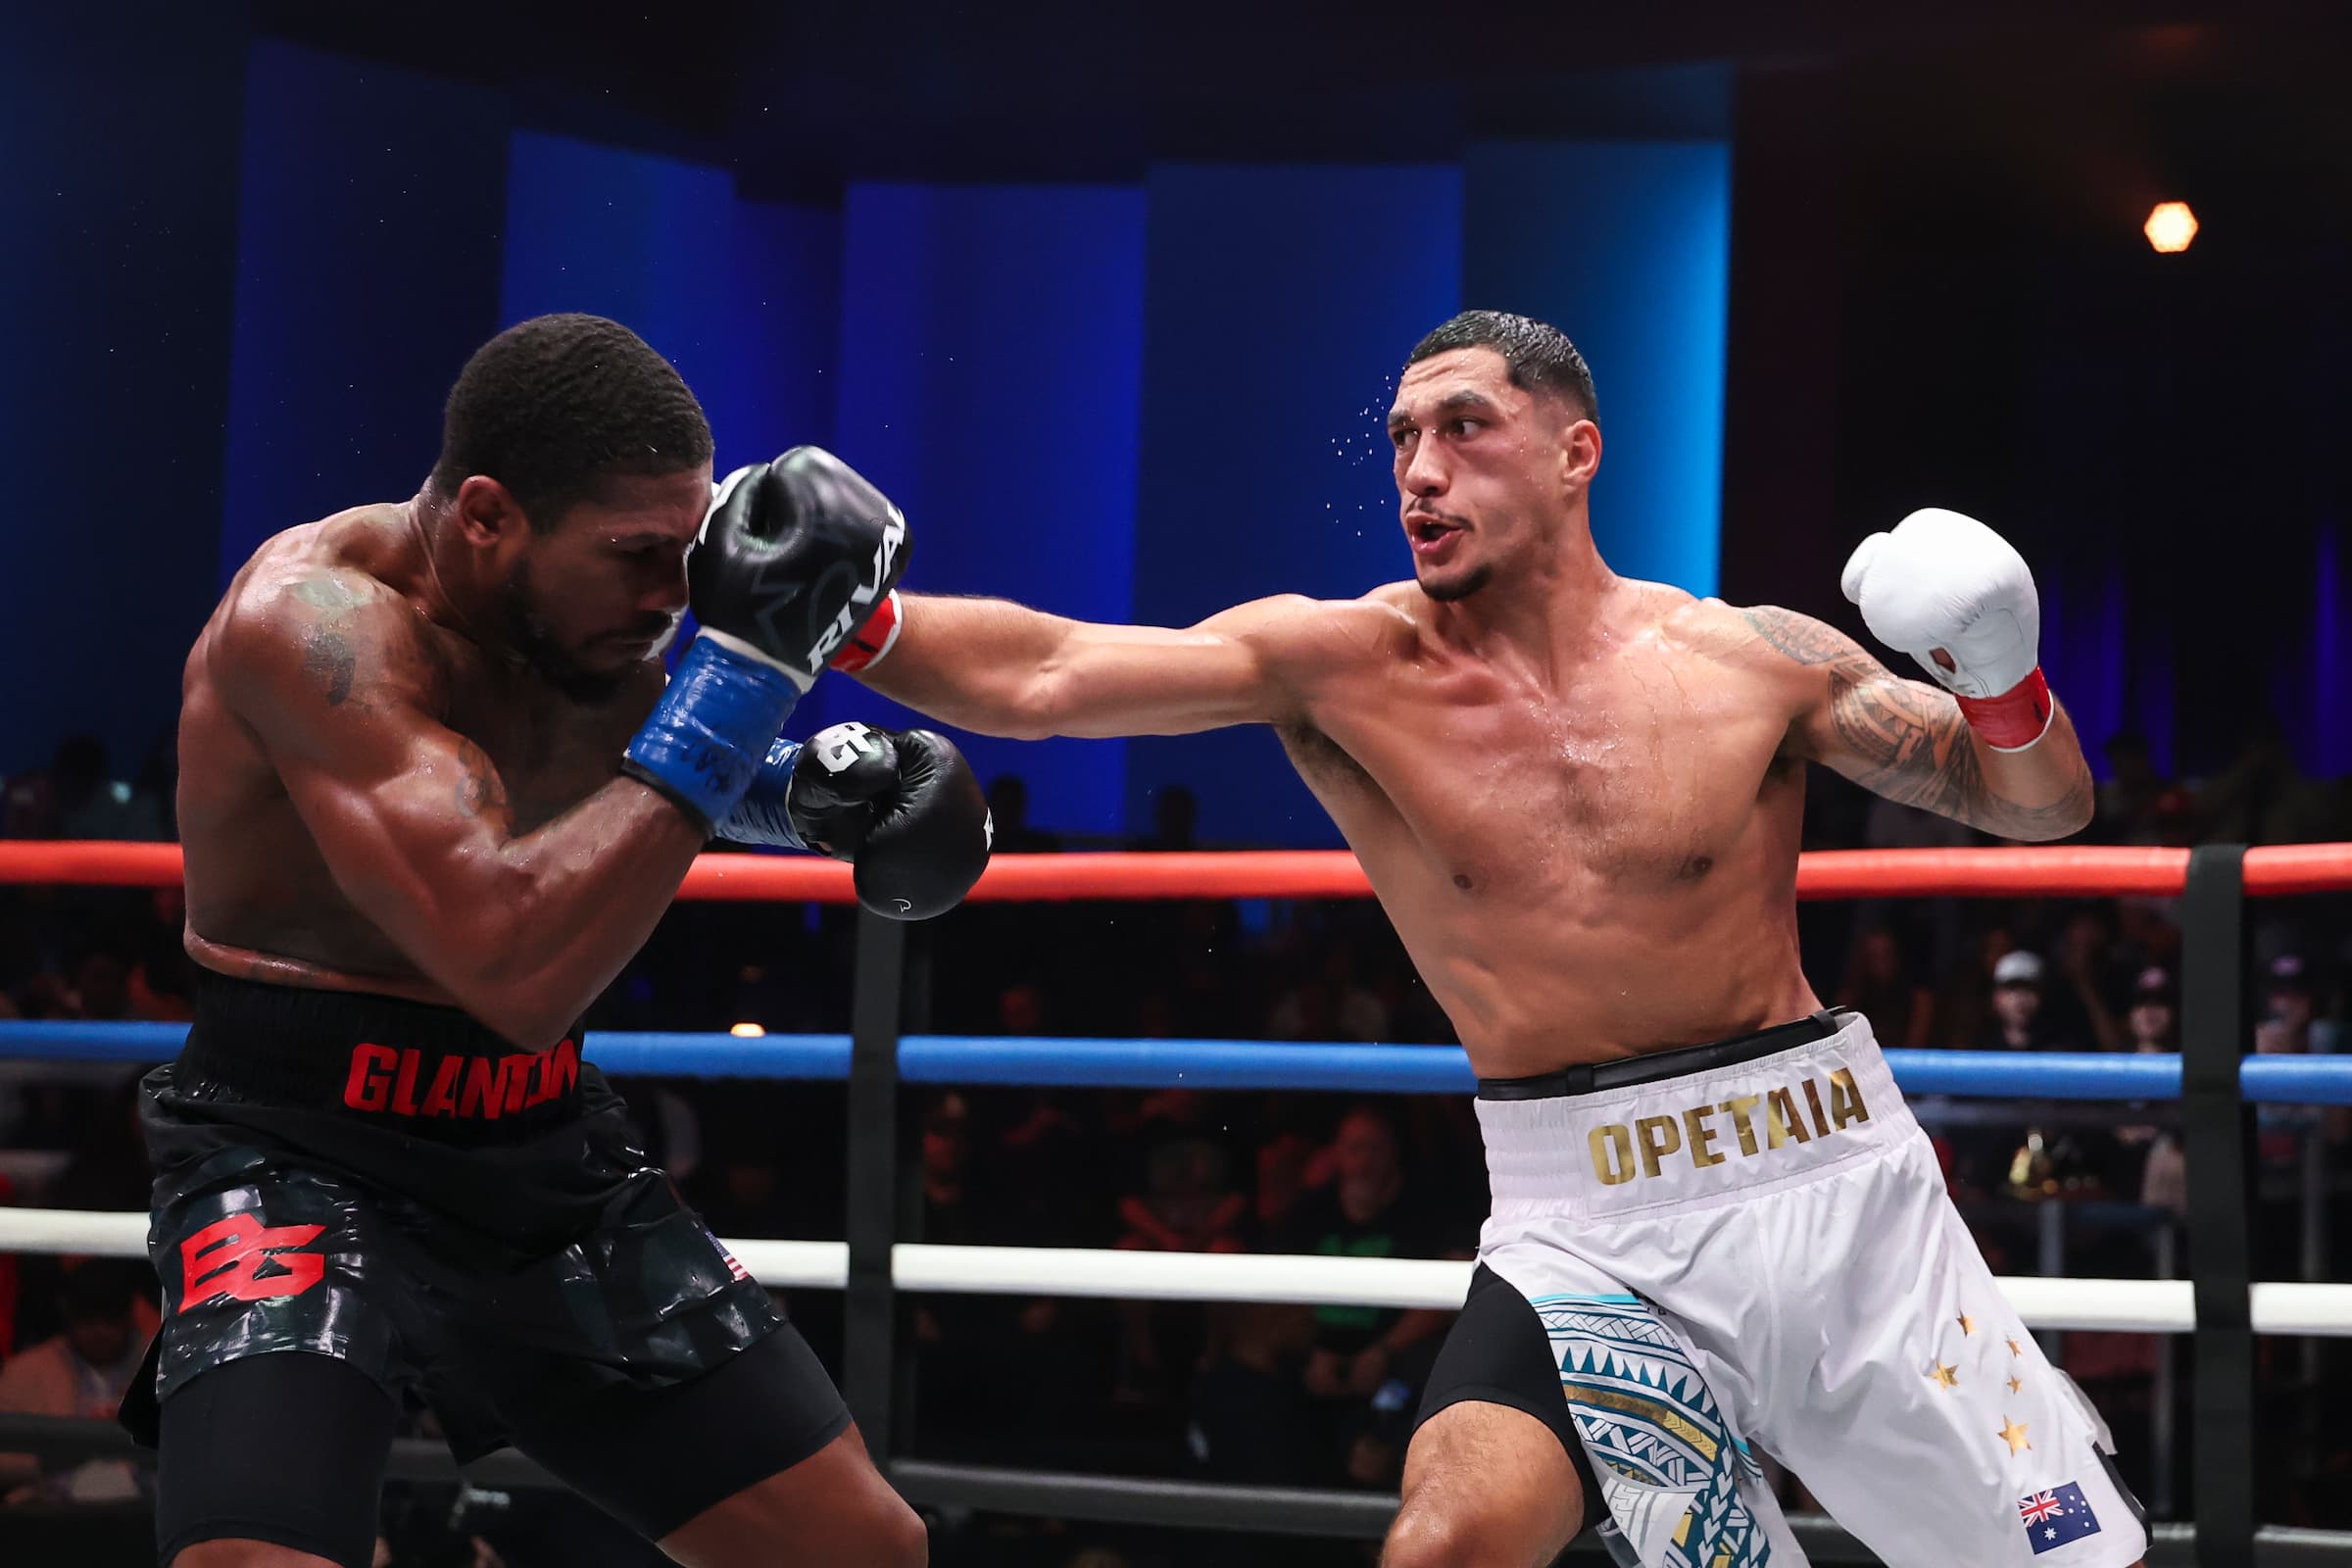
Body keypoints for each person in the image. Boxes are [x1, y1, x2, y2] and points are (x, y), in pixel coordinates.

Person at [839, 310, 2143, 1564]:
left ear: (1576, 452)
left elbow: (2038, 806)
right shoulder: (1343, 665)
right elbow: (1049, 673)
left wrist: (2000, 672)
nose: (1420, 470)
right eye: (1403, 439)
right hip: (1588, 1227)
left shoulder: (1749, 657)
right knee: (1449, 1542)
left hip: (1837, 1188)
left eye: (1463, 427)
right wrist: (850, 614)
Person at [133, 313, 993, 1568]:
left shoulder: (583, 615)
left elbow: (635, 758)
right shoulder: (316, 624)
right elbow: (513, 963)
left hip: (534, 1151)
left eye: (687, 555)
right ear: (488, 515)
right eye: (636, 555)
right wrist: (749, 669)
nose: (671, 598)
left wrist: (806, 794)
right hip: (294, 1148)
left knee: (861, 1549)